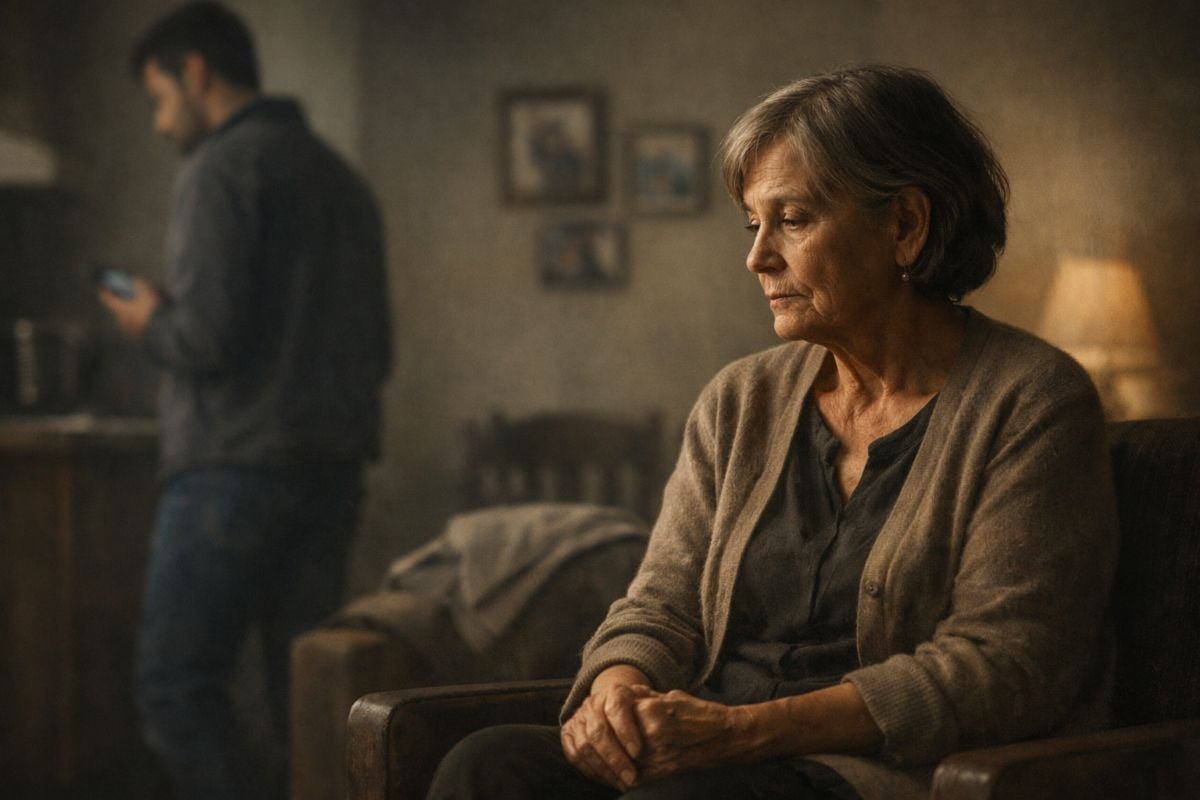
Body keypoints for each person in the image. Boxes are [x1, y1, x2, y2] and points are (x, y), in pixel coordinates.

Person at [424, 64, 1118, 800]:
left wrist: (742, 732)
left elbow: (1006, 664)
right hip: (710, 750)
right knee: (485, 766)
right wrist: (617, 694)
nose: (757, 257)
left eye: (792, 219)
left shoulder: (1033, 400)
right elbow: (663, 603)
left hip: (866, 771)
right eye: (754, 224)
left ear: (906, 226)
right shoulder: (740, 399)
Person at [97, 3, 391, 799]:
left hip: (230, 470)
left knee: (175, 688)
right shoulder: (341, 178)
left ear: (197, 73)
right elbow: (380, 349)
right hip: (330, 473)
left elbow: (204, 343)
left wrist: (148, 317)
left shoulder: (220, 169)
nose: (160, 125)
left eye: (159, 99)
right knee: (302, 700)